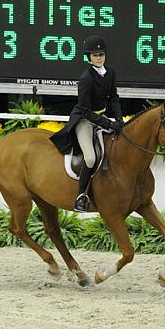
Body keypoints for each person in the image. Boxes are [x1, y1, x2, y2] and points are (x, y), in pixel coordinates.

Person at [50, 35, 123, 212]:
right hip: (85, 121)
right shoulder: (86, 78)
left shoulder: (110, 72)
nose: (99, 58)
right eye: (95, 55)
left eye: (101, 54)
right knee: (90, 157)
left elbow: (113, 97)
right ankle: (81, 196)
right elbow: (85, 110)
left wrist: (119, 119)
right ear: (89, 57)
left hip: (103, 119)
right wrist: (108, 123)